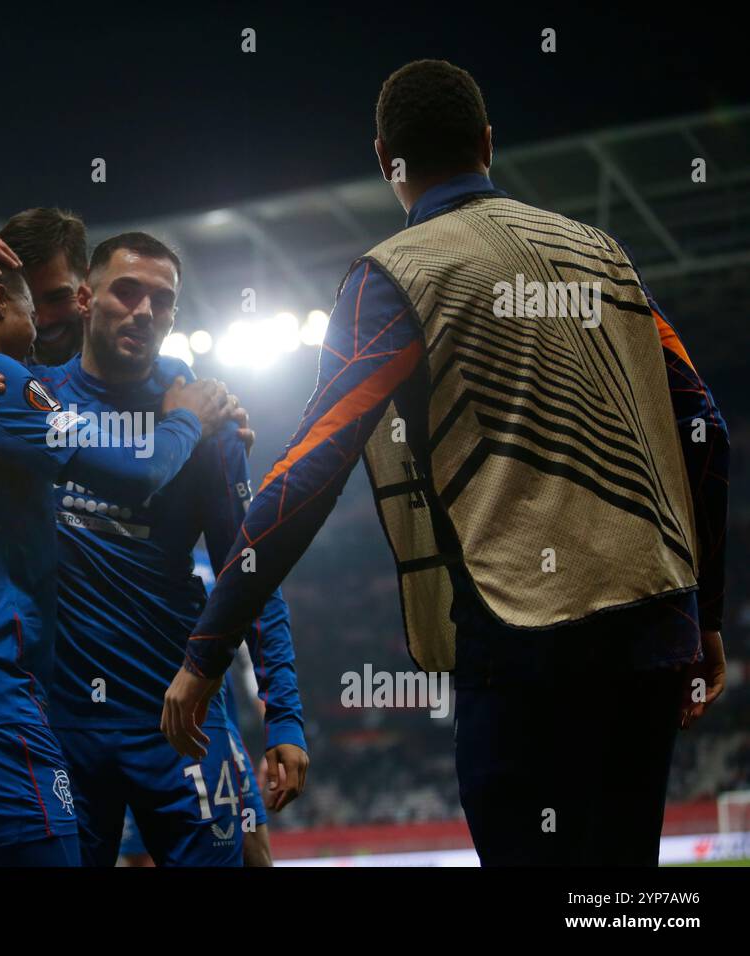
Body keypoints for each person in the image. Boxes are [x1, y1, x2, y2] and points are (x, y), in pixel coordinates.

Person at [163, 59, 729, 867]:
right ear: (488, 143)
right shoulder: (605, 255)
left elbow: (311, 469)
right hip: (653, 629)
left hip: (521, 641)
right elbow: (707, 427)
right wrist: (705, 614)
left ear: (384, 158)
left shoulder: (392, 277)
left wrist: (206, 650)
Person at [0, 224, 306, 865]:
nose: (143, 311)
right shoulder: (25, 399)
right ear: (87, 300)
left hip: (181, 722)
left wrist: (283, 712)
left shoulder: (205, 417)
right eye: (124, 291)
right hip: (59, 726)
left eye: (163, 300)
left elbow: (250, 570)